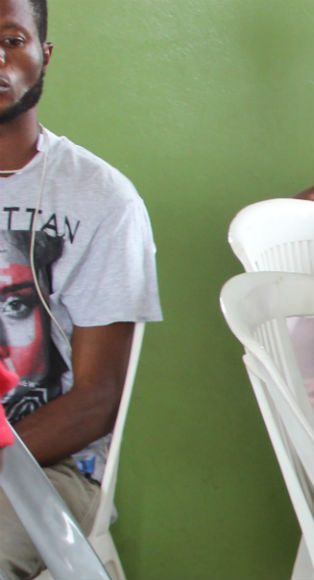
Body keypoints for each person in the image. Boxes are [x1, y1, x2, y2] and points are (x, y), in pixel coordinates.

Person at [0, 0, 163, 576]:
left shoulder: (100, 198)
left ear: (43, 56)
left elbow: (99, 398)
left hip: (49, 470)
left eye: (13, 39)